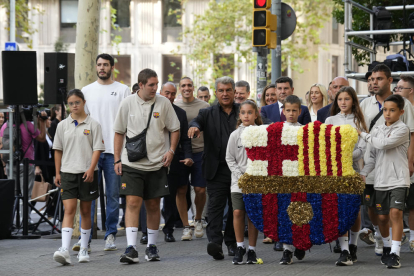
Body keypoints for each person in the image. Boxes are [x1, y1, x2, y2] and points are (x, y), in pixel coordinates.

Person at [114, 68, 180, 264]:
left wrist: (171, 151)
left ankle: (152, 247)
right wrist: (117, 159)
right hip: (132, 163)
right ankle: (131, 248)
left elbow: (175, 129)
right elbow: (118, 132)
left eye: (157, 84)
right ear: (140, 85)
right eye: (151, 85)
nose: (155, 88)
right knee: (132, 203)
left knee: (153, 205)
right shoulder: (127, 103)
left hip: (158, 163)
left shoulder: (164, 103)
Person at [74, 53, 130, 252]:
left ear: (112, 67)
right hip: (91, 153)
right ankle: (85, 239)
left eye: (106, 64)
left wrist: (122, 154)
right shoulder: (86, 91)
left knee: (113, 195)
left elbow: (127, 122)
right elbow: (81, 121)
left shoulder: (123, 90)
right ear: (96, 67)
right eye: (99, 64)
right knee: (87, 196)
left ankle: (110, 235)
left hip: (115, 153)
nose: (102, 68)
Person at [359, 64, 414, 258]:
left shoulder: (404, 104)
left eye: (379, 79)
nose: (374, 82)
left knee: (396, 212)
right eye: (372, 79)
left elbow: (411, 134)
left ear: (390, 81)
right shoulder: (365, 104)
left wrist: (410, 161)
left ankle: (394, 249)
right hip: (373, 164)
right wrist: (363, 168)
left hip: (396, 167)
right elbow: (365, 136)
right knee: (375, 209)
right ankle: (381, 237)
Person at [52, 89, 105, 265]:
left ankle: (84, 248)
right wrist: (58, 172)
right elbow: (57, 150)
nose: (74, 106)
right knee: (69, 209)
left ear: (83, 102)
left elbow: (97, 148)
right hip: (68, 172)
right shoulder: (62, 125)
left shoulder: (93, 124)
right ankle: (65, 249)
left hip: (87, 172)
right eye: (71, 103)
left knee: (85, 210)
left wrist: (91, 169)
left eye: (77, 102)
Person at [188, 76, 238, 260]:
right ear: (215, 93)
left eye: (228, 90)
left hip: (238, 170)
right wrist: (194, 128)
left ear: (233, 91)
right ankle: (215, 244)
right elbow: (196, 122)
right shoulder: (207, 112)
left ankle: (232, 244)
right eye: (221, 90)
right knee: (215, 208)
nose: (225, 94)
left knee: (235, 208)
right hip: (216, 170)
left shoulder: (242, 111)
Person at [325, 86, 367, 266]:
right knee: (339, 209)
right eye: (340, 99)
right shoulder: (330, 119)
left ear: (353, 101)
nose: (343, 102)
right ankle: (343, 250)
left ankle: (353, 245)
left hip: (353, 170)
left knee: (354, 210)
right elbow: (324, 144)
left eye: (347, 99)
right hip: (334, 172)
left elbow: (363, 148)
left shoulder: (358, 121)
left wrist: (346, 155)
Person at [226, 100, 262, 265]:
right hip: (238, 181)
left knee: (253, 216)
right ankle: (240, 246)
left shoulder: (262, 133)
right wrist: (240, 176)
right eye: (243, 113)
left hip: (256, 181)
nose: (246, 115)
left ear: (255, 114)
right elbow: (230, 158)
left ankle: (252, 250)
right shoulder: (235, 135)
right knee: (238, 212)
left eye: (250, 112)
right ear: (239, 115)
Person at [175, 77, 210, 240]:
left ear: (193, 88)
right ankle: (185, 226)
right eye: (183, 86)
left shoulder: (204, 106)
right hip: (180, 153)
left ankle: (198, 219)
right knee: (181, 189)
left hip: (200, 152)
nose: (186, 88)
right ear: (179, 88)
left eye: (189, 85)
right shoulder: (173, 106)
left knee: (200, 190)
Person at [159, 82, 193, 242]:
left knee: (174, 194)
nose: (170, 96)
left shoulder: (180, 113)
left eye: (172, 94)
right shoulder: (154, 109)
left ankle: (169, 228)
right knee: (159, 194)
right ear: (161, 92)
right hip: (155, 157)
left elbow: (185, 139)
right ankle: (148, 231)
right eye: (167, 93)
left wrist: (188, 156)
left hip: (176, 158)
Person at [277, 95, 306, 265]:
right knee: (285, 214)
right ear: (283, 111)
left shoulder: (304, 130)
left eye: (294, 110)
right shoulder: (277, 130)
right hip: (283, 178)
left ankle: (300, 243)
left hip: (300, 178)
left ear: (300, 111)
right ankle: (287, 249)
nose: (291, 113)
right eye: (288, 110)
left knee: (301, 212)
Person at [0, 109, 47, 201]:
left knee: (12, 194)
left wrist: (4, 165)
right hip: (27, 164)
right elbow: (42, 138)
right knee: (26, 195)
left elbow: (1, 146)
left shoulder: (5, 126)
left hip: (10, 162)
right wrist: (42, 121)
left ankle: (13, 214)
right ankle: (24, 215)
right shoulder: (28, 125)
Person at [394, 75, 414, 252]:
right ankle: (397, 235)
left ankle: (413, 238)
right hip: (399, 162)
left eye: (401, 88)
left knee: (413, 203)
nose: (397, 91)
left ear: (411, 90)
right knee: (398, 203)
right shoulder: (396, 110)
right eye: (396, 88)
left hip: (410, 161)